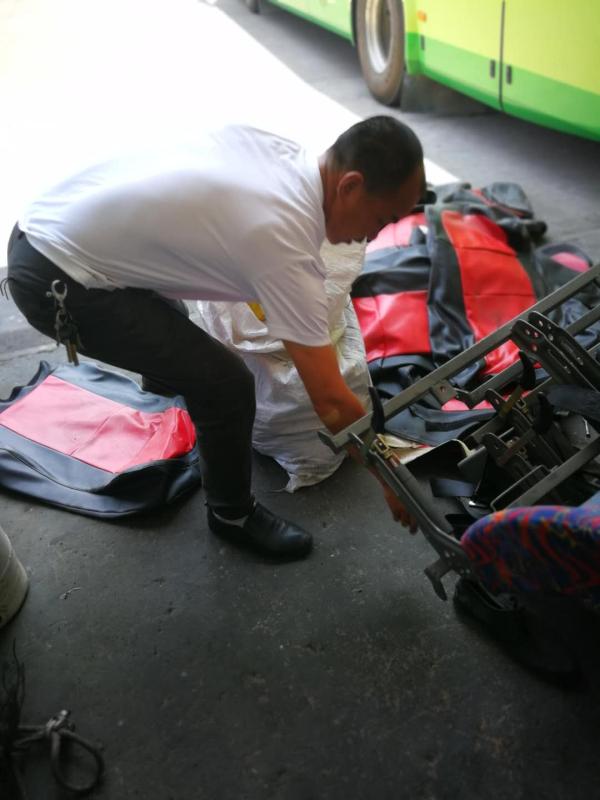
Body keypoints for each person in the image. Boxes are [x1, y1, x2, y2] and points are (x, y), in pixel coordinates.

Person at [6, 115, 424, 561]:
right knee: (226, 384)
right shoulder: (285, 244)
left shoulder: (283, 155)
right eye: (382, 219)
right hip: (57, 280)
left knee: (175, 323)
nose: (374, 235)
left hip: (48, 225)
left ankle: (167, 410)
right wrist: (392, 475)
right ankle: (232, 514)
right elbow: (333, 402)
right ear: (350, 186)